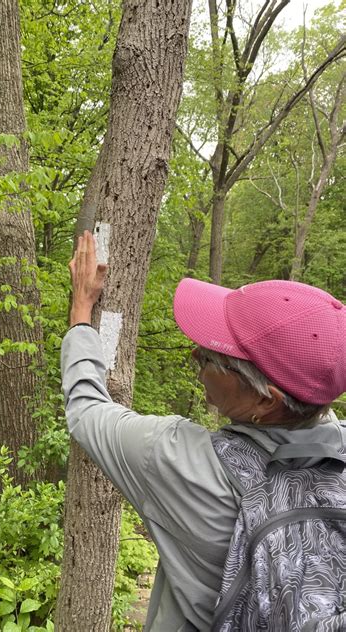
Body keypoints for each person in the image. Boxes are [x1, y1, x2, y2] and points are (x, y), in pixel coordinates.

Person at [60, 230, 346, 631]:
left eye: (215, 357)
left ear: (268, 400)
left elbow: (86, 411)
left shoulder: (181, 461)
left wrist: (81, 311)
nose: (195, 353)